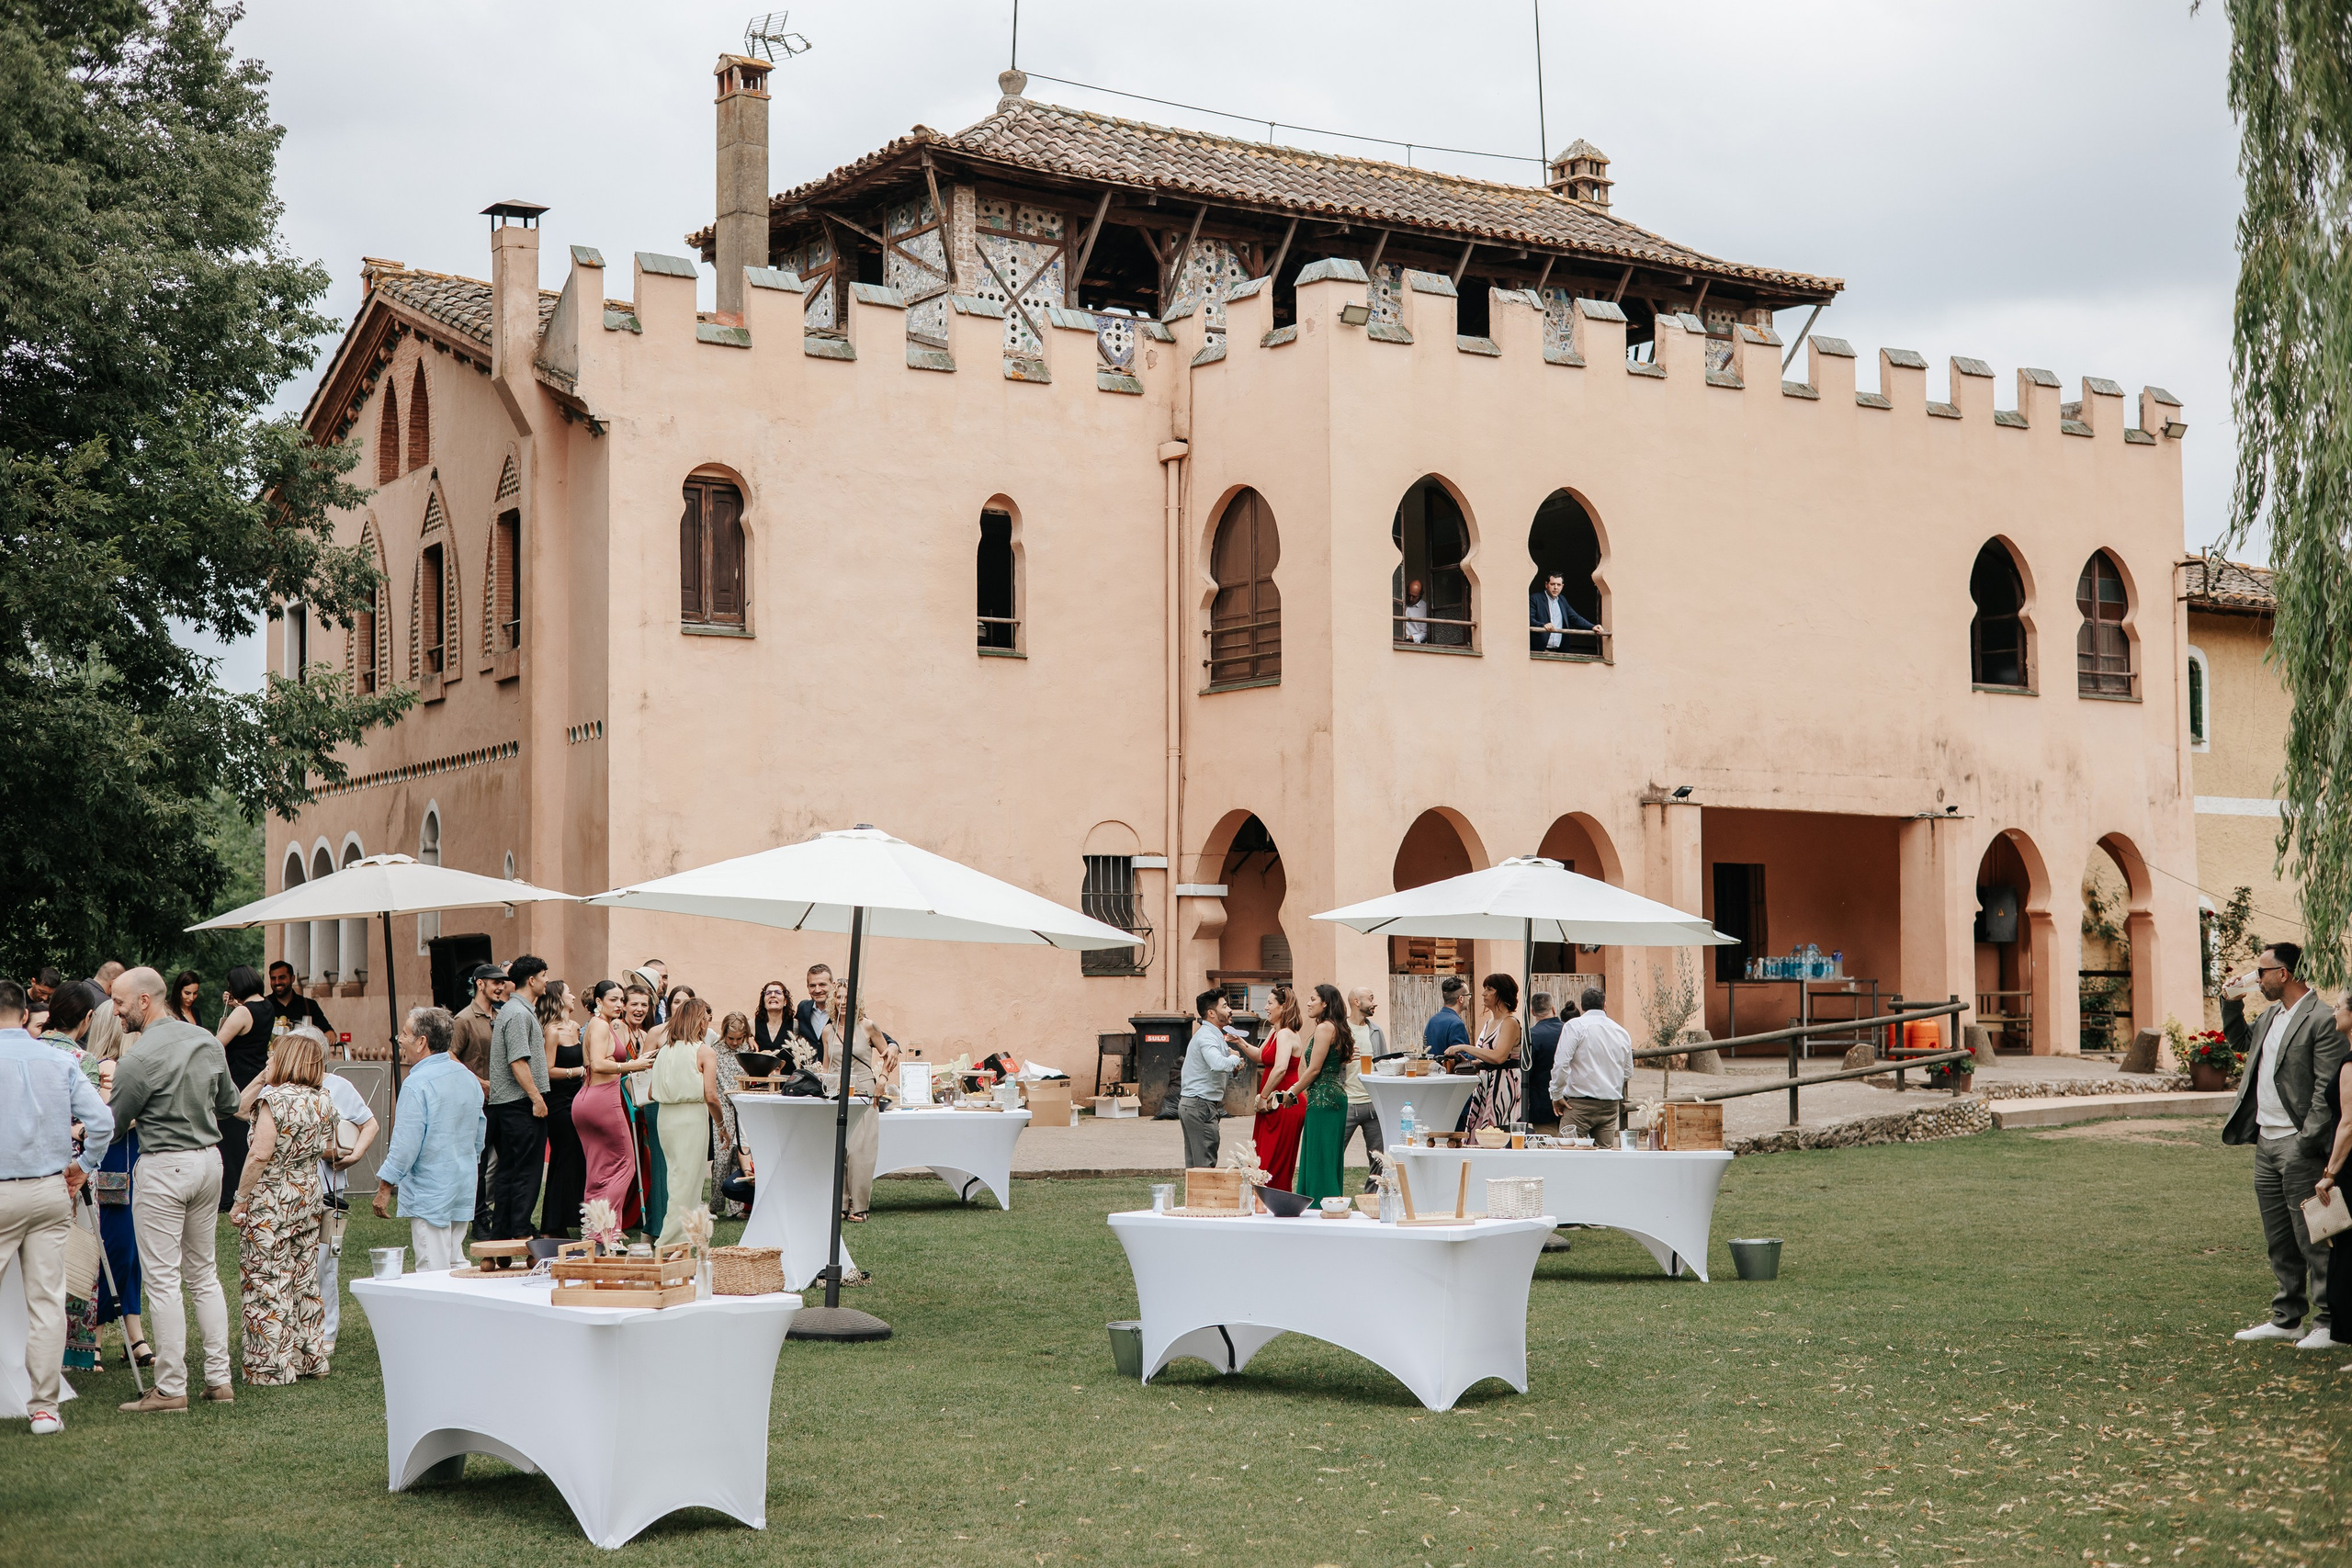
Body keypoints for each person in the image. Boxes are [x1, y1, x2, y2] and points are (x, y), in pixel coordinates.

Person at [107, 965, 236, 1413]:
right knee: (204, 1274)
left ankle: (170, 1387)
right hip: (209, 1163)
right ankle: (219, 1380)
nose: (116, 1011)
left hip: (165, 1166)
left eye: (120, 1002)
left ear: (145, 1000)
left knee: (163, 1280)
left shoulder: (136, 1059)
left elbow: (116, 1122)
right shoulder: (205, 1040)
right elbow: (230, 1104)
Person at [2221, 942, 2350, 1348]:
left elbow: (2326, 1092)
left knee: (2314, 1235)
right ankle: (2286, 1317)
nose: (2257, 978)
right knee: (2279, 1238)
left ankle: (2328, 1321)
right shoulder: (2270, 1015)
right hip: (2266, 1141)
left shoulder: (2321, 1019)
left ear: (2285, 973)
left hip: (2298, 1144)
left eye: (2262, 972)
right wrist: (2230, 1004)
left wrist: (2304, 1142)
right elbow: (2240, 1042)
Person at [0, 979, 114, 1434]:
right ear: (25, 1014)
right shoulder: (58, 1059)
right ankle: (44, 1407)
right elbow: (101, 1121)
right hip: (50, 1190)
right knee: (46, 1302)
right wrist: (83, 1165)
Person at [228, 1031, 335, 1383]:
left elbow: (260, 1152)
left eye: (273, 1057)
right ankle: (311, 1359)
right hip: (307, 1194)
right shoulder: (323, 1099)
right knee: (304, 1279)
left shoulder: (275, 1101)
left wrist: (240, 1198)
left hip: (272, 1198)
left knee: (266, 1280)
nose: (267, 1062)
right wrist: (267, 1075)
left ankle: (271, 1366)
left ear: (286, 1060)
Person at [372, 1008, 484, 1272]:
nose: (399, 1039)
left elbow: (405, 1145)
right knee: (456, 1264)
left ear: (421, 1042)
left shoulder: (416, 1084)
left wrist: (384, 1189)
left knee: (433, 1271)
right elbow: (479, 1135)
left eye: (405, 1034)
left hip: (431, 1190)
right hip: (462, 1183)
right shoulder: (468, 1077)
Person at [643, 997, 728, 1244]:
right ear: (700, 1021)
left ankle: (682, 1239)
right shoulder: (704, 1052)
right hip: (690, 1118)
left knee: (675, 1179)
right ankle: (671, 1241)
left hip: (665, 1118)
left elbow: (650, 1093)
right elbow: (711, 1096)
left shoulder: (663, 1052)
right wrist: (722, 1126)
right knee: (687, 1183)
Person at [483, 955, 551, 1240]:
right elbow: (518, 1061)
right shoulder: (519, 1013)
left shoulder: (515, 1011)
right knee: (525, 1172)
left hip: (509, 1106)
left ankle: (503, 1232)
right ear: (532, 980)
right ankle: (520, 1232)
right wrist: (536, 1098)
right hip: (518, 1105)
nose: (547, 981)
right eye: (544, 975)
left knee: (510, 1172)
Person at [312, 1054, 377, 1358]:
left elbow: (370, 1124)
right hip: (290, 1185)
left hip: (329, 1187)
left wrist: (355, 1155)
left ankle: (327, 1332)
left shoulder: (338, 1086)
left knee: (326, 1262)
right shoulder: (277, 1084)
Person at [576, 983, 653, 1224]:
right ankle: (606, 1230)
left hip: (587, 1099)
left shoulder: (599, 1025)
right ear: (599, 1002)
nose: (619, 1005)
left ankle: (595, 1230)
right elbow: (598, 1064)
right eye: (613, 1000)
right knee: (626, 1166)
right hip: (603, 1100)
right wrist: (632, 1066)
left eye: (621, 1000)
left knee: (598, 1171)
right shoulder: (600, 1026)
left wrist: (637, 1061)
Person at [2305, 988, 2352, 1372]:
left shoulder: (2350, 1064)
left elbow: (2348, 1125)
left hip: (2350, 1168)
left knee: (2347, 1255)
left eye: (2339, 1008)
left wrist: (2329, 1174)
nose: (2334, 1013)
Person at [212, 964, 278, 1213]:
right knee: (247, 1138)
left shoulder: (242, 1013)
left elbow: (217, 1045)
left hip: (238, 1080)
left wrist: (231, 1013)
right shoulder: (267, 1006)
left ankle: (229, 1196)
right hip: (257, 1077)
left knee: (230, 1142)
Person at [451, 964, 503, 1235]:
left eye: (502, 982)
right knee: (479, 1165)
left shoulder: (500, 1015)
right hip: (477, 1103)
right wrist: (479, 1082)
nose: (501, 987)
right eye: (495, 982)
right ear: (480, 984)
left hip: (502, 1101)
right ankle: (478, 1220)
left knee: (504, 1162)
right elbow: (450, 1056)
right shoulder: (464, 1019)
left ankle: (499, 1216)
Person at [1293, 984, 1356, 1202]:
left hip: (1323, 1099)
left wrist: (1291, 1093)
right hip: (1333, 1095)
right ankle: (1330, 1201)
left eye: (1313, 999)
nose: (1308, 1003)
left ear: (1325, 1002)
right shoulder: (1338, 1027)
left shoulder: (1324, 1028)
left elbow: (1314, 1069)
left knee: (1319, 1155)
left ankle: (1318, 1204)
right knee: (1329, 1155)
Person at [537, 980, 588, 1238]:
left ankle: (569, 1218)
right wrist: (575, 1072)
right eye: (569, 992)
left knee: (577, 1160)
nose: (573, 995)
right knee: (562, 1158)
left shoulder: (576, 1027)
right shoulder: (552, 1031)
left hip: (578, 1099)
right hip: (559, 1103)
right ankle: (551, 1224)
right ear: (558, 998)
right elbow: (547, 1071)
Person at [1551, 987, 1633, 1145]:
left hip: (1579, 1103)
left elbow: (1561, 1064)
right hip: (1609, 1104)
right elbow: (1628, 1072)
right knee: (1604, 1157)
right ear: (1604, 1005)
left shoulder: (1575, 1026)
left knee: (1568, 1155)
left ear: (1582, 1006)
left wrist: (1556, 1094)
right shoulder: (1621, 1031)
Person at [1247, 985, 1306, 1190]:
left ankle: (1275, 1200)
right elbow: (1260, 1056)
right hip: (1271, 1104)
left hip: (1284, 1103)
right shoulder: (1275, 1031)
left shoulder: (1286, 1034)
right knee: (1262, 1156)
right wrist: (1239, 1042)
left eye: (1270, 1003)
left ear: (1283, 1007)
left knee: (1275, 1160)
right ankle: (1262, 1202)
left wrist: (1262, 1097)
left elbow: (1280, 1068)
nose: (1266, 1007)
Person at [1179, 990, 1246, 1169]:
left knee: (1197, 1166)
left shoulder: (1214, 1034)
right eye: (1224, 1006)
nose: (1230, 1010)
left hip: (1198, 1104)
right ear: (1211, 1013)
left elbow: (1218, 1067)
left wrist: (1234, 1065)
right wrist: (1234, 1059)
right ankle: (1201, 1198)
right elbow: (1217, 1063)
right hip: (1200, 1105)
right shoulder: (1207, 1036)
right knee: (1204, 1166)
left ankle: (1195, 1197)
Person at [1453, 974, 1524, 1135]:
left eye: (1489, 989)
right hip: (1486, 1084)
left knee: (1497, 1132)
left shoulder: (1510, 1023)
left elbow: (1499, 1057)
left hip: (1503, 1085)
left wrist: (1464, 1047)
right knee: (1481, 1132)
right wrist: (1470, 1063)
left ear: (1502, 994)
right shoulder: (1489, 1023)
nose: (1484, 993)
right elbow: (1486, 1058)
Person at [1340, 988, 1386, 1185]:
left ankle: (1374, 1200)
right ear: (1357, 1002)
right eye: (1371, 998)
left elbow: (1384, 1064)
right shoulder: (1340, 1030)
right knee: (1334, 1154)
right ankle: (1332, 1196)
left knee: (1380, 1160)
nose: (1374, 1003)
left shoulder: (1376, 1031)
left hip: (1373, 1105)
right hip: (1347, 1104)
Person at [1524, 991, 1574, 1131]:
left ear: (1532, 1012)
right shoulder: (1569, 1030)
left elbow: (1527, 1071)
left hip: (1541, 1102)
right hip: (1571, 1099)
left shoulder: (1531, 1036)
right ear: (1553, 1008)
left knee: (1548, 1146)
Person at [1528, 570, 1595, 653]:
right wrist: (1543, 625)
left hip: (1559, 651)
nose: (1556, 588)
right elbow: (1529, 619)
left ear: (1562, 586)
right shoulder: (1535, 598)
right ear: (1546, 585)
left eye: (1558, 585)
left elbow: (1575, 618)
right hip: (1540, 650)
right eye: (1552, 584)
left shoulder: (1562, 600)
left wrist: (1592, 627)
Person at [1423, 976, 1471, 1059]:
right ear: (1461, 999)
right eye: (1468, 995)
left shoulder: (1432, 1020)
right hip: (1449, 1071)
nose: (1469, 998)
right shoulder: (1456, 1024)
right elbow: (1461, 1058)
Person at [796, 964, 835, 1055]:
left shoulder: (843, 1010)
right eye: (812, 986)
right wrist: (753, 1037)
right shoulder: (803, 1008)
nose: (817, 990)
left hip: (834, 1068)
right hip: (808, 1067)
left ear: (833, 985)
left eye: (822, 985)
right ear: (807, 987)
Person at [752, 979, 797, 1059]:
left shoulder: (795, 1025)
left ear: (785, 1001)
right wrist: (748, 1037)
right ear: (764, 1001)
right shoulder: (752, 1025)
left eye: (778, 992)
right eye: (768, 993)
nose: (772, 995)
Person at [1399, 577, 1430, 644]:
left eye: (1414, 597)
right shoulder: (1399, 603)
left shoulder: (1425, 609)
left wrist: (1410, 638)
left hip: (1414, 645)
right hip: (1397, 641)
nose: (1410, 599)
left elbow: (1425, 634)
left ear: (1421, 594)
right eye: (1408, 595)